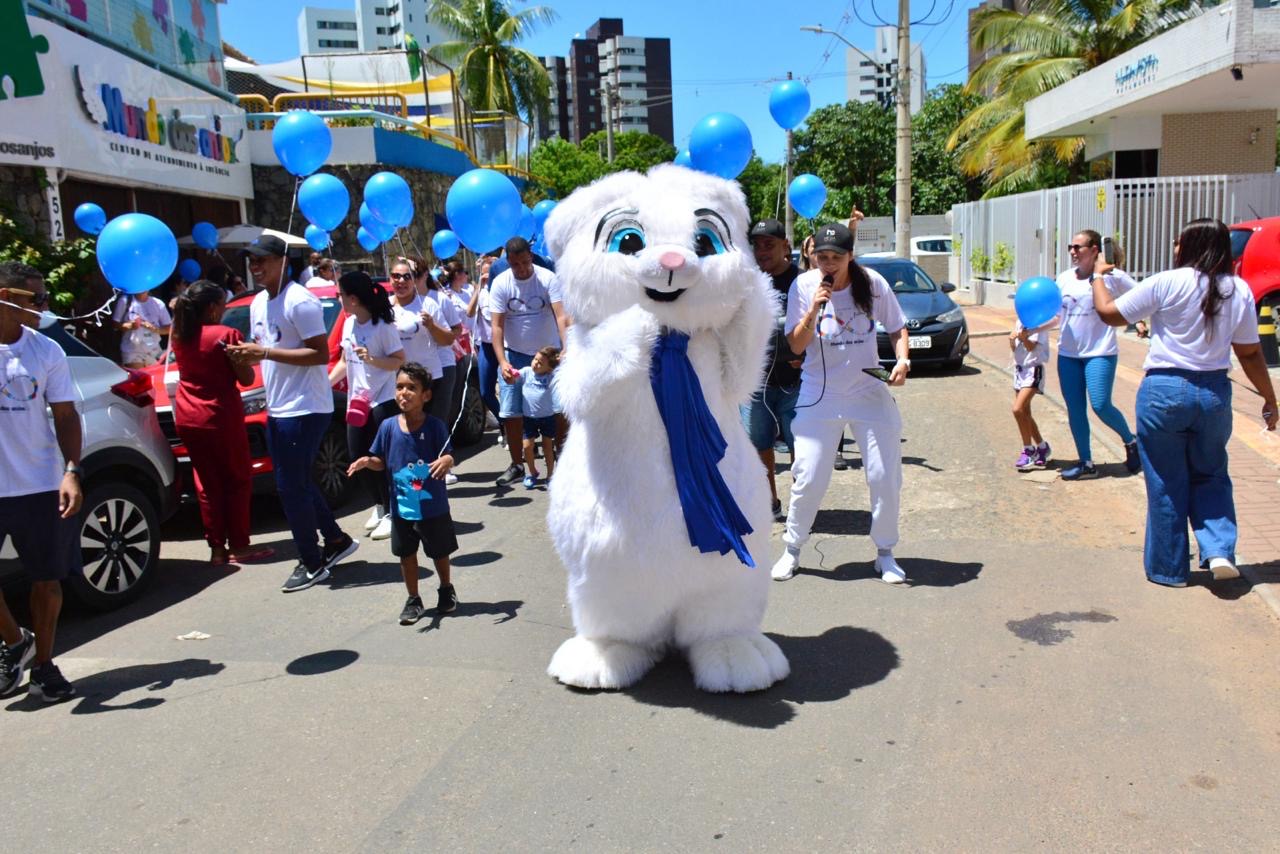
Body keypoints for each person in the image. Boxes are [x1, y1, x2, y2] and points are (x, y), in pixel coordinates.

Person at [1090, 218, 1278, 588]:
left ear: (1191, 246)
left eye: (1179, 242)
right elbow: (1251, 354)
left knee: (1165, 480)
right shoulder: (1237, 290)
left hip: (1163, 391)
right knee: (1210, 473)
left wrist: (1098, 277)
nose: (1175, 248)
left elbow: (1110, 314)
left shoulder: (1165, 282)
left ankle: (1169, 569)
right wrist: (1270, 397)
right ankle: (1219, 550)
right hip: (1213, 394)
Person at [771, 222, 911, 584]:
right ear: (813, 255)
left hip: (868, 390)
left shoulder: (872, 283)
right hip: (821, 392)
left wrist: (902, 360)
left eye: (836, 258)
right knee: (809, 476)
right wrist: (813, 309)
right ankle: (792, 549)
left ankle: (885, 553)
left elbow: (897, 327)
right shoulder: (804, 285)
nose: (828, 264)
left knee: (884, 475)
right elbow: (796, 346)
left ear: (851, 256)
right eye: (822, 257)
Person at [226, 235, 358, 593]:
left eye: (261, 260)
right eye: (250, 261)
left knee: (289, 487)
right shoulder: (257, 303)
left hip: (307, 406)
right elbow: (264, 349)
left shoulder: (301, 301)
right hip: (280, 406)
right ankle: (335, 540)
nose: (255, 267)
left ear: (283, 261)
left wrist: (265, 354)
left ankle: (311, 561)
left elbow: (318, 354)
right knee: (298, 483)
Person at [0, 261, 81, 702]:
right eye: (38, 298)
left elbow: (66, 415)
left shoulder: (46, 351)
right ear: (6, 296)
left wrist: (72, 471)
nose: (45, 306)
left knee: (46, 581)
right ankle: (16, 642)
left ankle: (44, 666)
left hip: (38, 483)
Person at [170, 281, 274, 565]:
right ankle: (239, 545)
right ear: (214, 308)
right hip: (219, 415)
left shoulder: (180, 334)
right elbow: (247, 379)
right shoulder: (227, 334)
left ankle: (216, 548)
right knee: (237, 479)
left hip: (188, 415)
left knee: (206, 483)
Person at [347, 362, 459, 624]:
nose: (403, 393)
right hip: (401, 509)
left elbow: (448, 454)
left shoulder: (434, 427)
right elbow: (381, 461)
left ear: (426, 395)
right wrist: (366, 462)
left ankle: (446, 588)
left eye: (412, 388)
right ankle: (413, 599)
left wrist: (447, 461)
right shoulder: (387, 426)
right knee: (406, 555)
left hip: (433, 508)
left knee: (439, 552)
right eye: (399, 387)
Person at [1056, 229, 1142, 480]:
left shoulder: (1112, 277)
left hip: (1100, 352)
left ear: (1095, 250)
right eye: (1070, 247)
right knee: (1075, 409)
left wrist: (1137, 320)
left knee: (1101, 404)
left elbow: (1142, 295)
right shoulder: (1063, 278)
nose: (1072, 251)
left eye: (1078, 247)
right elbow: (1056, 314)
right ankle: (1086, 463)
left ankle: (1130, 441)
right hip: (1068, 354)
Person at [328, 271, 405, 542]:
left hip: (382, 400)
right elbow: (343, 361)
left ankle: (393, 511)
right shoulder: (349, 325)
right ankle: (379, 506)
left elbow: (398, 361)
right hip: (357, 401)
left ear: (353, 298)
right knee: (356, 455)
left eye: (340, 295)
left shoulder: (383, 326)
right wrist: (325, 385)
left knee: (381, 461)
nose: (339, 299)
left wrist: (372, 359)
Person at [489, 236, 569, 485]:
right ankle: (517, 464)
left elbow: (561, 316)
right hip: (516, 355)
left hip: (549, 353)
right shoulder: (501, 283)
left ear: (531, 256)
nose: (522, 269)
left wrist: (566, 348)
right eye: (516, 265)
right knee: (512, 412)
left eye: (525, 262)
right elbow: (496, 327)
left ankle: (563, 461)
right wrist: (502, 361)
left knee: (558, 407)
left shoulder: (547, 278)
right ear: (508, 263)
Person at [742, 219, 802, 521]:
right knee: (758, 445)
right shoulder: (747, 284)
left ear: (785, 246)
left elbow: (825, 325)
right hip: (757, 383)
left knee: (801, 449)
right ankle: (770, 502)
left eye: (769, 244)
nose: (762, 250)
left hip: (799, 382)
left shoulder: (804, 281)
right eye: (757, 244)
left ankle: (802, 505)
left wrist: (809, 357)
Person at [409, 255, 463, 426]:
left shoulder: (439, 299)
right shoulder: (403, 302)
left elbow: (456, 329)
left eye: (414, 275)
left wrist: (437, 331)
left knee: (437, 417)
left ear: (425, 275)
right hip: (418, 366)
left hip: (443, 363)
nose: (410, 280)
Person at [502, 345, 561, 489]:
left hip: (547, 417)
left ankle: (550, 475)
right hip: (529, 418)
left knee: (548, 447)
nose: (535, 363)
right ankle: (532, 472)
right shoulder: (527, 372)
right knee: (527, 446)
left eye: (541, 363)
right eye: (535, 359)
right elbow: (516, 376)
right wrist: (510, 374)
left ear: (549, 368)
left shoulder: (551, 377)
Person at [1010, 317, 1051, 471]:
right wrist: (1012, 340)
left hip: (1033, 370)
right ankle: (1042, 447)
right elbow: (1016, 349)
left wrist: (1023, 337)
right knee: (1025, 413)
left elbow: (1030, 347)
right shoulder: (1020, 320)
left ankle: (1028, 450)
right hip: (1020, 369)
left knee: (1017, 409)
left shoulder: (1039, 323)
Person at [469, 252, 502, 428]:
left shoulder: (503, 290)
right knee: (485, 392)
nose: (486, 276)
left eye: (489, 272)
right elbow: (469, 312)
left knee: (508, 391)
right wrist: (478, 288)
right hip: (487, 347)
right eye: (483, 273)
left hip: (505, 346)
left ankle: (518, 430)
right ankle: (505, 423)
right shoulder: (480, 293)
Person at [113, 286, 172, 368]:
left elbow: (169, 328)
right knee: (139, 378)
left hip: (154, 351)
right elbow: (115, 324)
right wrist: (130, 326)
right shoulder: (125, 301)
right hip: (132, 351)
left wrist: (155, 329)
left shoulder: (158, 303)